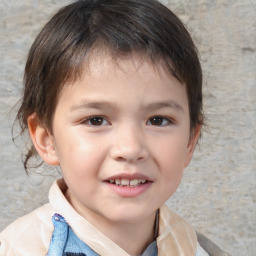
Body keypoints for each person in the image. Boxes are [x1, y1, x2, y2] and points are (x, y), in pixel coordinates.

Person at [0, 0, 230, 255]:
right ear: (46, 139)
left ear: (190, 140)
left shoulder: (199, 250)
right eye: (96, 120)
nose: (130, 149)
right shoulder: (20, 249)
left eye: (157, 120)